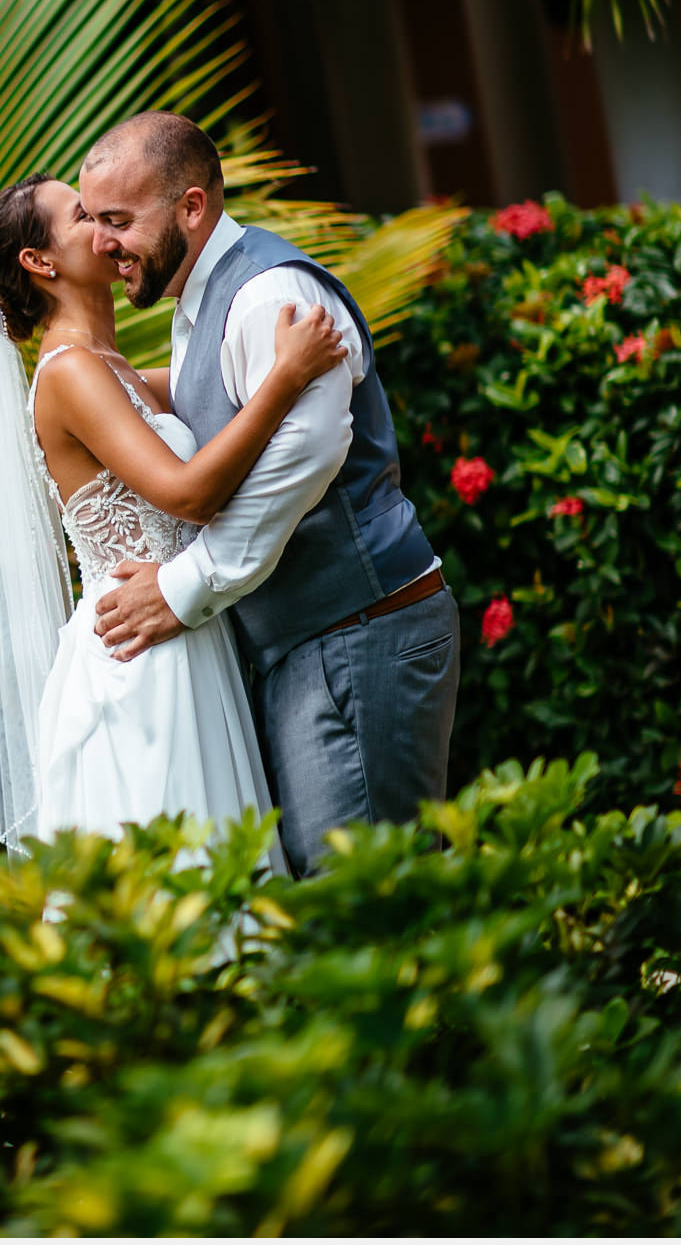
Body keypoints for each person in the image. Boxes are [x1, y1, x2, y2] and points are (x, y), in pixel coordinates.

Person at [78, 112, 459, 877]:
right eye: (91, 222)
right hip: (308, 640)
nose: (101, 243)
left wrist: (180, 588)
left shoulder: (269, 296)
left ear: (191, 208)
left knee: (364, 895)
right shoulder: (198, 301)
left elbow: (304, 461)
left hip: (359, 628)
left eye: (119, 221)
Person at [0, 173, 346, 866]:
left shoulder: (112, 366)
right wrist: (287, 377)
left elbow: (211, 380)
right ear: (40, 263)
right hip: (139, 649)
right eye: (82, 216)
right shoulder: (71, 371)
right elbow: (189, 493)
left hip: (181, 627)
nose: (107, 231)